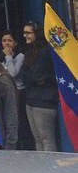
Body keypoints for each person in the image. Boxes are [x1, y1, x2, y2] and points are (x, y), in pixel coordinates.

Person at [21, 21, 59, 151]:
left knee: (47, 139)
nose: (25, 35)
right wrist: (31, 77)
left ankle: (50, 170)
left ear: (36, 33)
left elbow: (37, 75)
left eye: (28, 33)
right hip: (31, 100)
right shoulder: (29, 52)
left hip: (44, 102)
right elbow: (24, 76)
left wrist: (32, 77)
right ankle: (42, 169)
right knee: (37, 139)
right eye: (24, 32)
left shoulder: (45, 52)